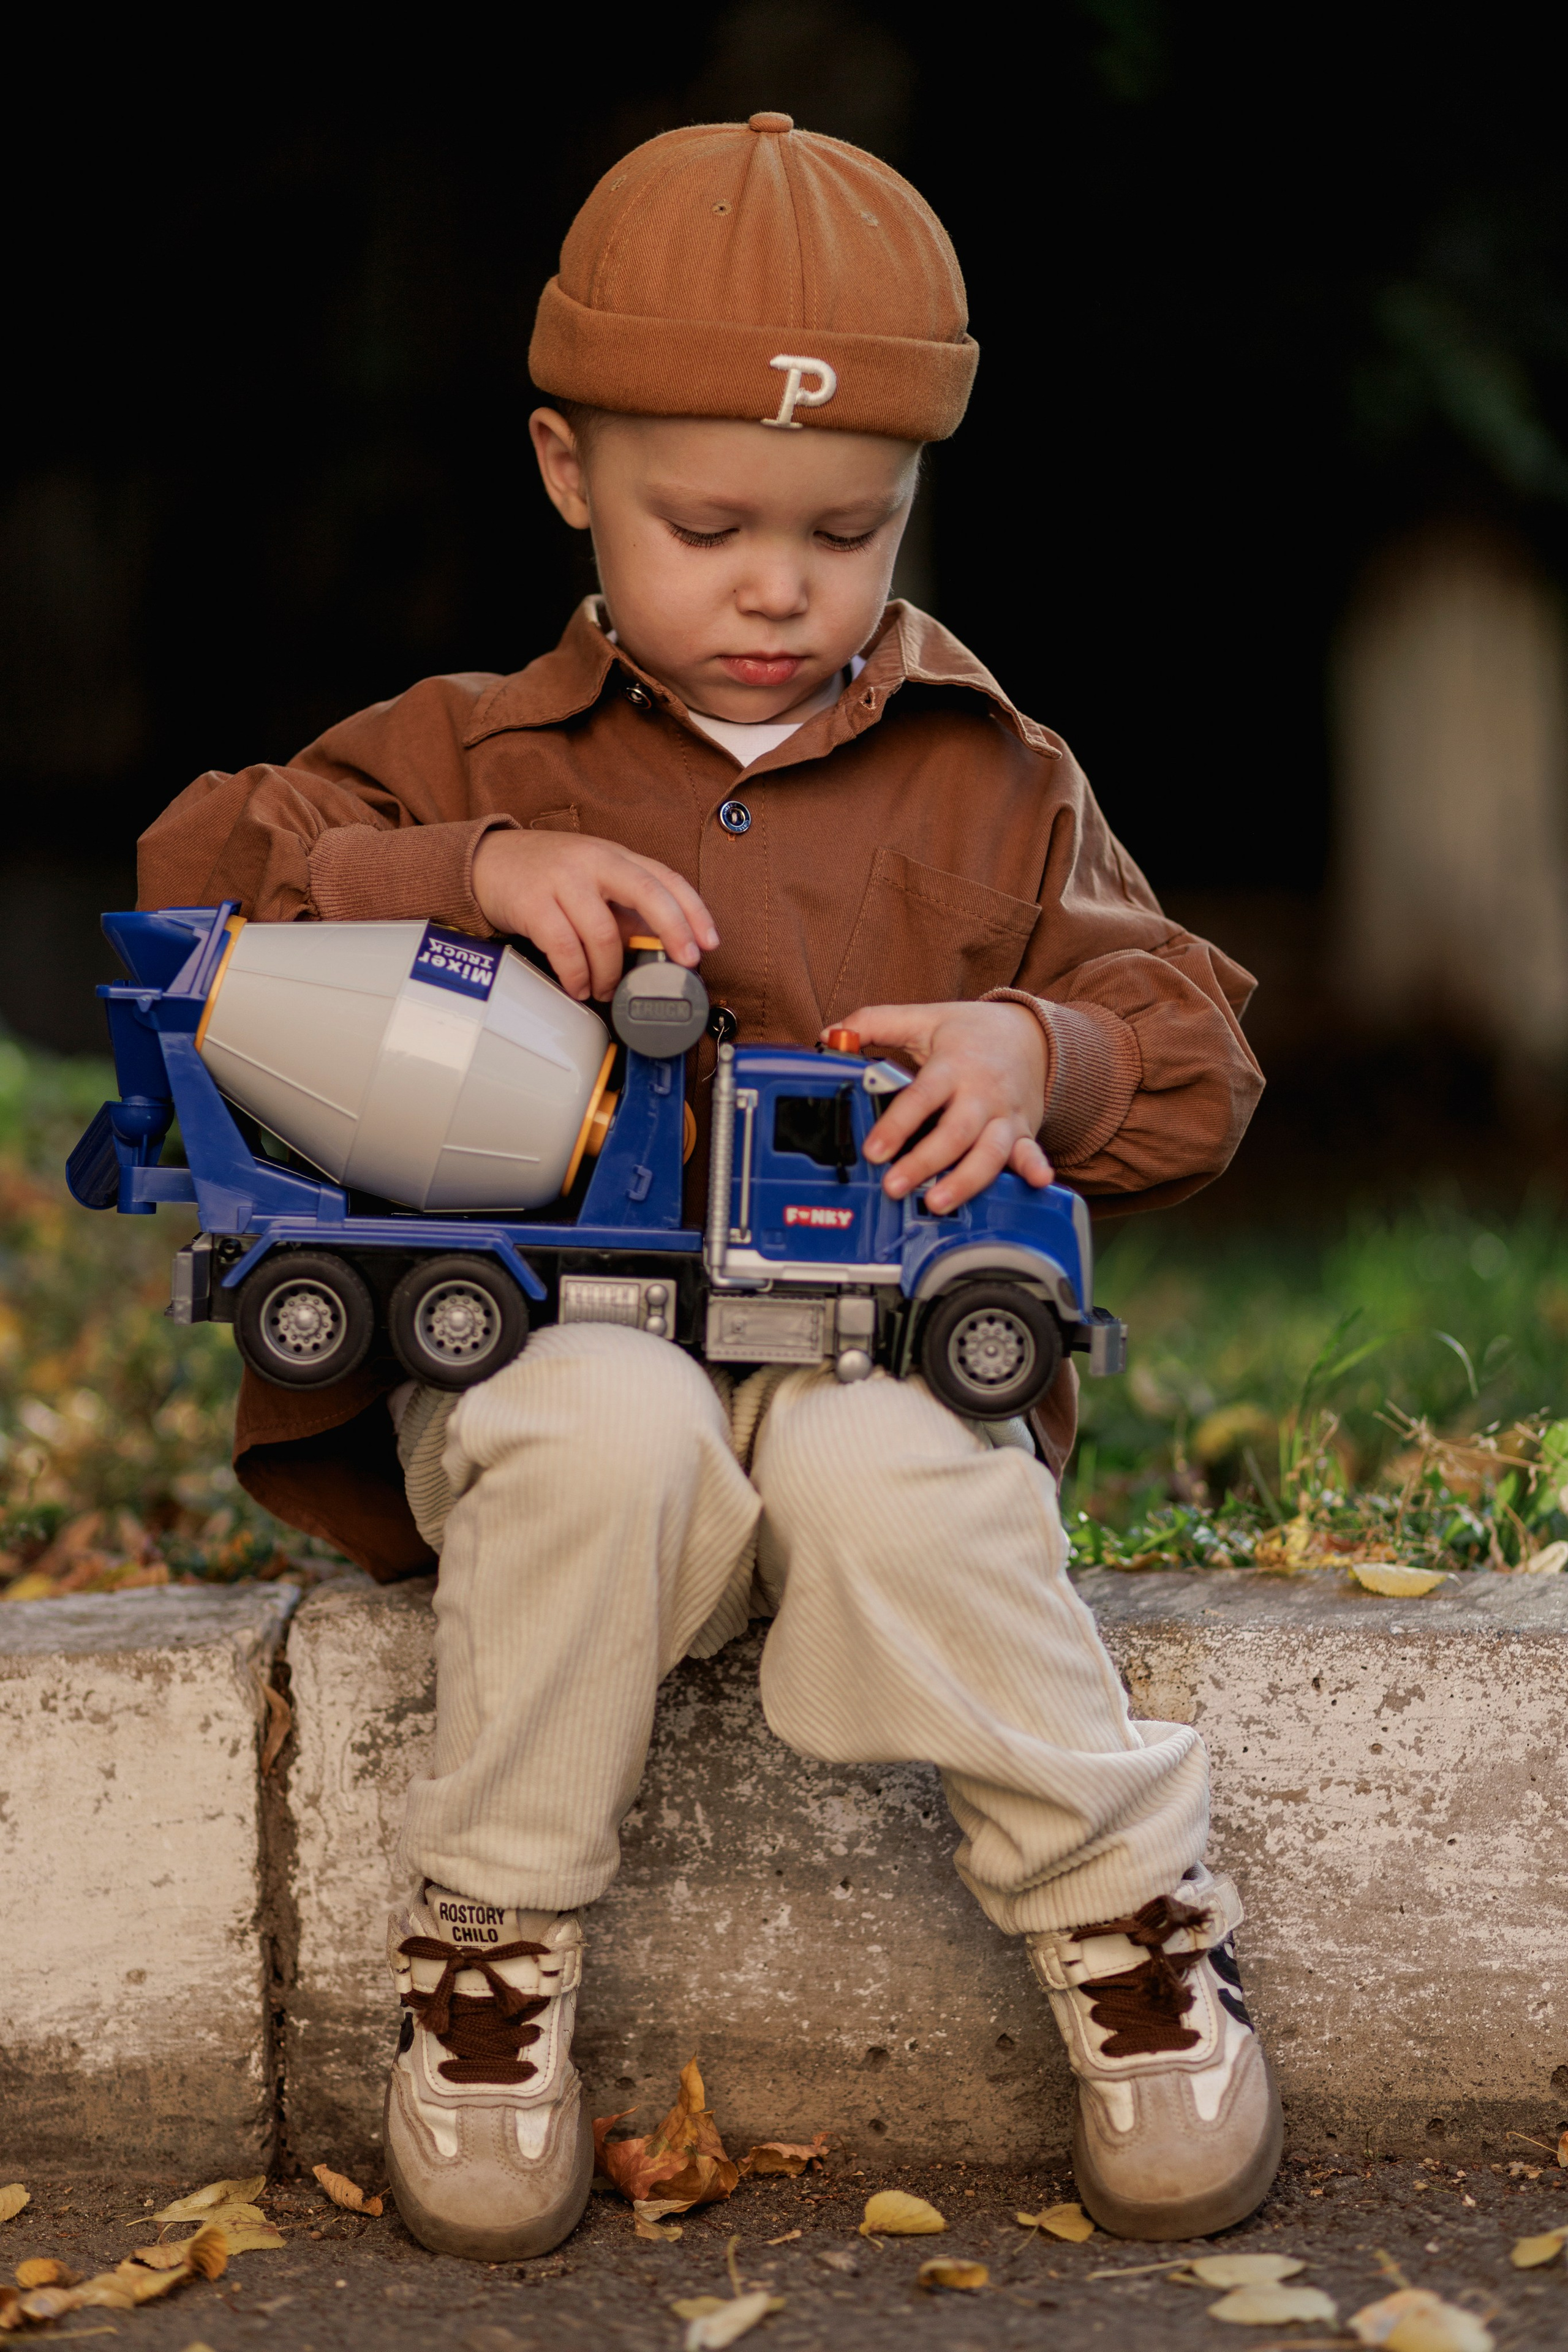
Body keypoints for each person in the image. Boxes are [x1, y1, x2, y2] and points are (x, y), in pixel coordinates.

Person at [139, 113, 1274, 2258]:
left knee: (899, 1468)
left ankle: (1134, 1928)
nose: (778, 584)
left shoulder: (1003, 775)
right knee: (594, 1414)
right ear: (569, 472)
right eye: (709, 522)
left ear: (914, 499)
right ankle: (491, 1962)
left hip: (862, 1367)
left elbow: (1198, 1050)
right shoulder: (466, 748)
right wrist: (457, 872)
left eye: (847, 531)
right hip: (584, 1393)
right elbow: (196, 875)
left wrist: (1048, 1048)